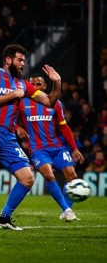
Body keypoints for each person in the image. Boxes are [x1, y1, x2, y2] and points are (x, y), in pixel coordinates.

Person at [0, 44, 62, 230]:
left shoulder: (24, 84)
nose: (23, 63)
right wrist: (14, 94)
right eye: (20, 60)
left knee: (28, 178)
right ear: (8, 60)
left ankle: (4, 219)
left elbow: (49, 102)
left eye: (24, 60)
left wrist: (57, 83)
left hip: (8, 135)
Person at [17, 74, 85, 221]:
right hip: (37, 149)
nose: (35, 87)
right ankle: (67, 210)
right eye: (32, 84)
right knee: (49, 175)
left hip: (56, 147)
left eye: (39, 84)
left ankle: (66, 209)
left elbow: (64, 127)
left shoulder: (55, 103)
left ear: (45, 86)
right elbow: (8, 118)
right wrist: (17, 127)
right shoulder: (22, 103)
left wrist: (74, 148)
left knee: (72, 177)